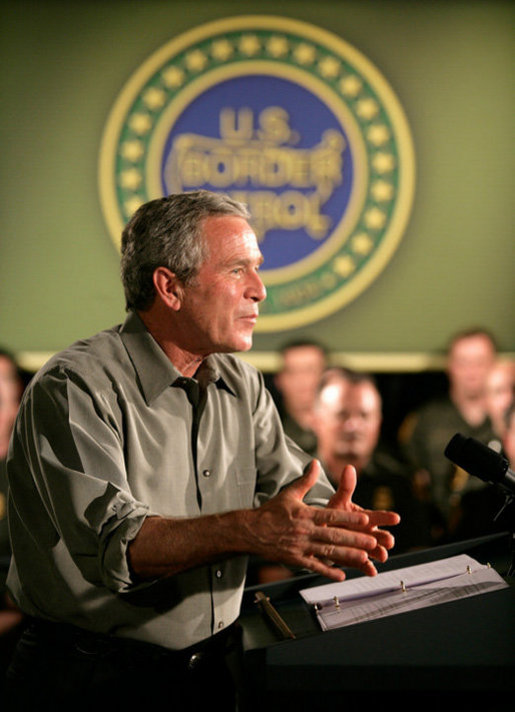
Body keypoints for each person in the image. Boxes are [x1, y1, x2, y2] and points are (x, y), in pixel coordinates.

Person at [5, 191, 400, 710]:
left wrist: (329, 524)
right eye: (238, 270)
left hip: (213, 673)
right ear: (169, 287)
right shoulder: (75, 387)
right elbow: (119, 549)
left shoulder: (243, 382)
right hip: (92, 683)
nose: (259, 291)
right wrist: (254, 530)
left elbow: (294, 499)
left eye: (256, 270)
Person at [312, 368, 438, 553]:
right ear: (316, 420)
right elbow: (274, 573)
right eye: (342, 414)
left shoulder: (401, 481)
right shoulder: (294, 480)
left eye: (364, 415)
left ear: (378, 421)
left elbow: (419, 558)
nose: (354, 426)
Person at [400, 328, 498, 531]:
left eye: (480, 362)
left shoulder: (507, 421)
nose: (472, 370)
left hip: (498, 532)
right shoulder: (425, 421)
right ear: (450, 366)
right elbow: (409, 479)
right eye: (463, 362)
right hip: (440, 534)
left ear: (493, 364)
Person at [273, 340, 328, 455]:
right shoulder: (269, 437)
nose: (302, 381)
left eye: (310, 370)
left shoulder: (344, 435)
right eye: (293, 372)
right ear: (279, 380)